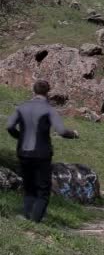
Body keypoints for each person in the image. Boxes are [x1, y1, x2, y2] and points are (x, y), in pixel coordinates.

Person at [6, 80, 79, 222]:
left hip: (23, 153)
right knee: (43, 190)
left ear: (34, 91)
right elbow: (62, 131)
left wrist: (19, 137)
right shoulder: (49, 109)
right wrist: (74, 134)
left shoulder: (22, 107)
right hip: (42, 154)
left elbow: (9, 126)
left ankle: (27, 218)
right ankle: (35, 221)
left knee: (29, 187)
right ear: (48, 92)